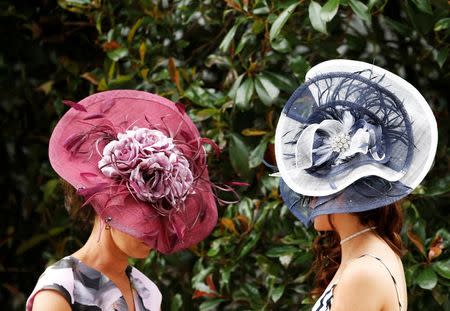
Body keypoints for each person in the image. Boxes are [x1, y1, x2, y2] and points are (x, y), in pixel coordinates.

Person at [27, 90, 219, 310]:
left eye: (163, 217)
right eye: (145, 218)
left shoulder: (146, 292)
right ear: (107, 207)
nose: (156, 232)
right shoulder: (60, 291)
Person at [274, 60, 438, 310]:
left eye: (317, 184)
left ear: (343, 191)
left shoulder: (363, 272)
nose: (309, 198)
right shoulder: (367, 254)